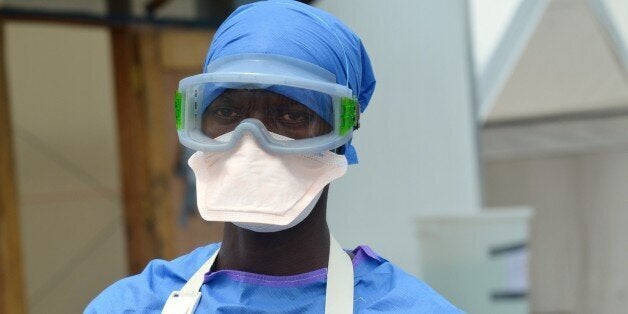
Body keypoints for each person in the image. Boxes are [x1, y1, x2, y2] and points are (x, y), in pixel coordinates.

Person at [86, 1, 462, 313]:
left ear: (340, 137)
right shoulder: (133, 305)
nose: (250, 142)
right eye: (227, 113)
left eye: (293, 116)